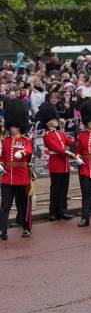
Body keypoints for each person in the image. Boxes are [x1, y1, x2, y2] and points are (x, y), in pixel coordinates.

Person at [1, 99, 33, 239]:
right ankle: (3, 230)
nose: (13, 128)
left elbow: (29, 149)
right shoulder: (5, 141)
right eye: (11, 126)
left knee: (23, 206)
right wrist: (1, 164)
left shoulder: (26, 140)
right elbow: (2, 157)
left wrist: (23, 153)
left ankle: (26, 228)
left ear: (20, 126)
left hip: (21, 178)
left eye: (15, 126)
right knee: (5, 206)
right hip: (8, 178)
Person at [40, 100, 76, 220]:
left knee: (64, 189)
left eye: (56, 119)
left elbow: (70, 142)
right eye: (54, 120)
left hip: (64, 165)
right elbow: (57, 148)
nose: (56, 121)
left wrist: (77, 138)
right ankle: (53, 212)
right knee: (55, 189)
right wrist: (68, 152)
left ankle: (62, 210)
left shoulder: (60, 133)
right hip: (56, 164)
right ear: (48, 122)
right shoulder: (47, 136)